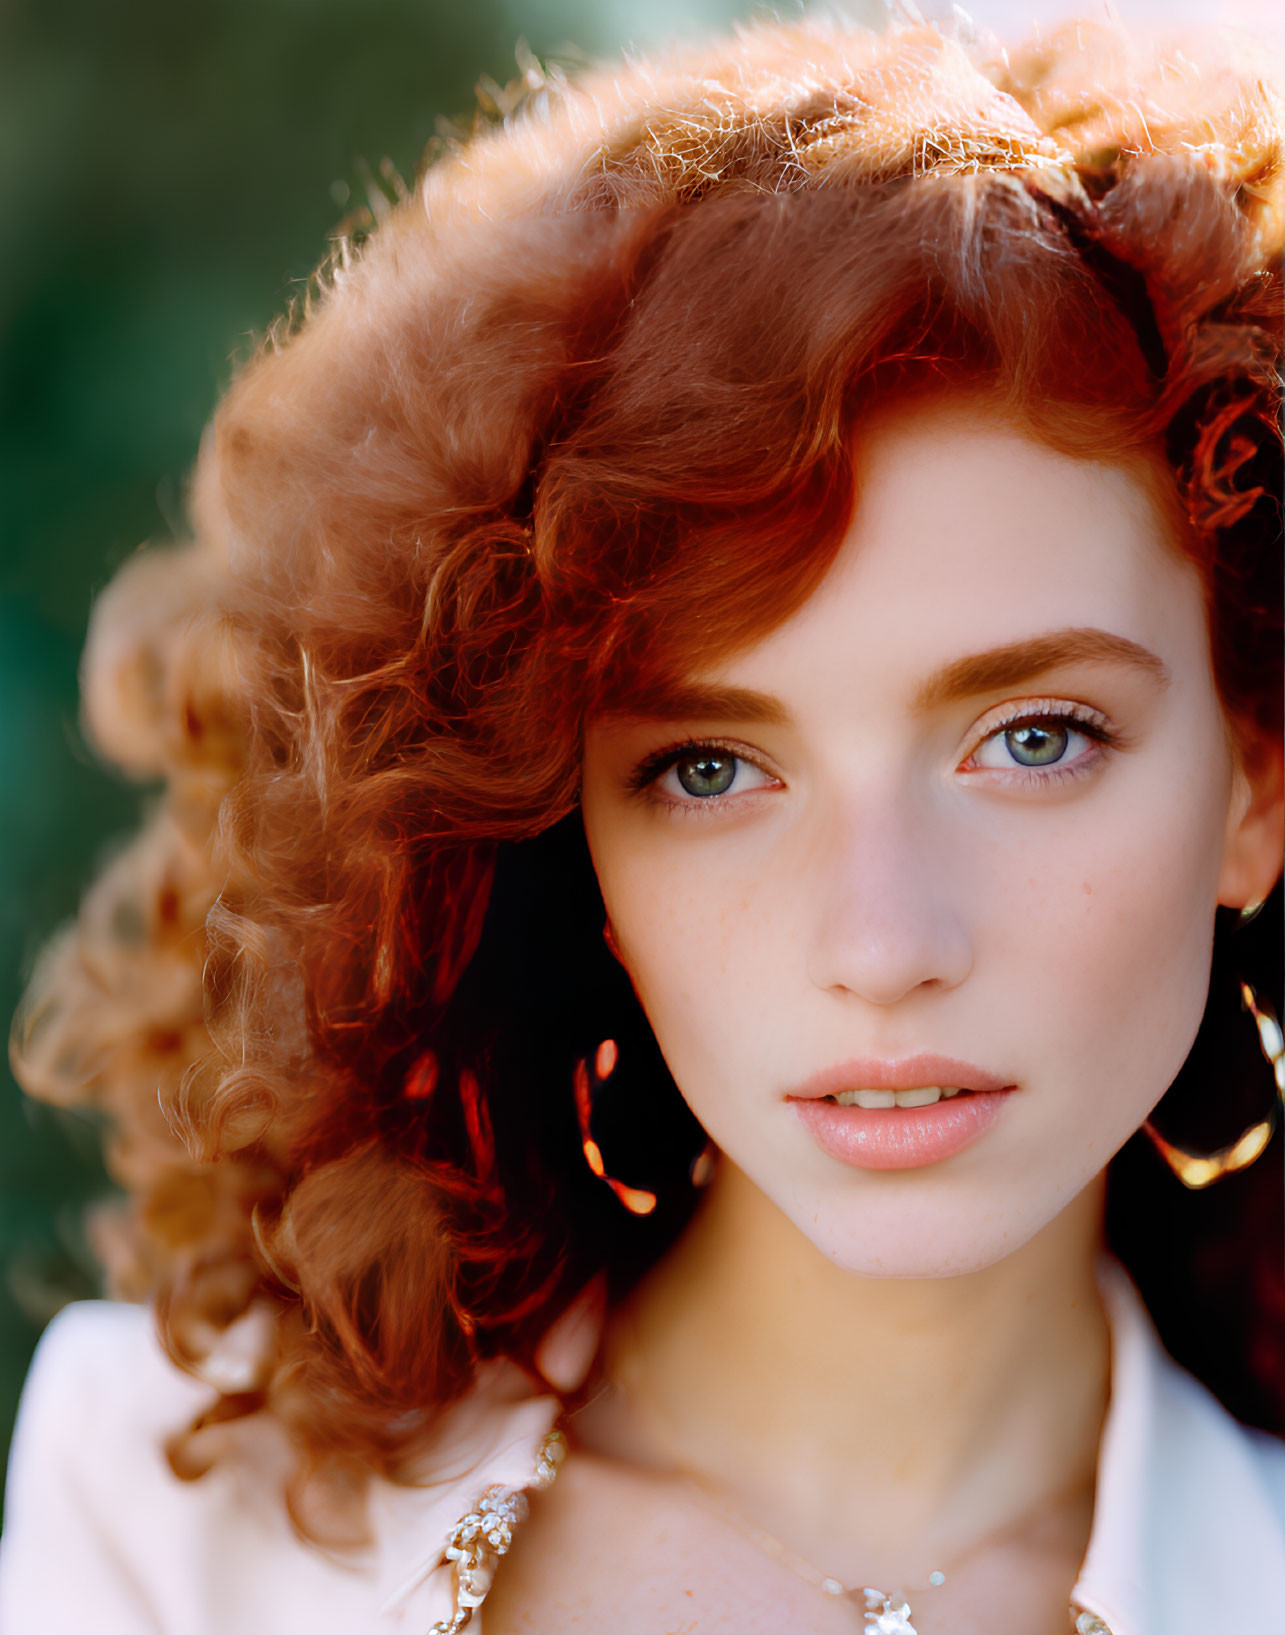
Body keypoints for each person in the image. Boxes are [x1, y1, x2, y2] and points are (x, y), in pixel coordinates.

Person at [2, 13, 1283, 1634]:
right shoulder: (180, 1528)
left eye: (1032, 738)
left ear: (1254, 788)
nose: (881, 946)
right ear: (570, 847)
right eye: (708, 770)